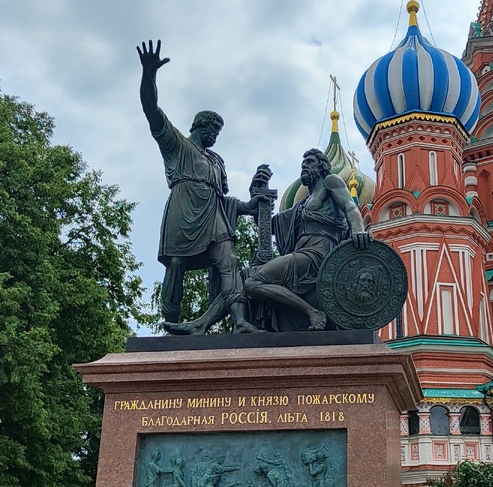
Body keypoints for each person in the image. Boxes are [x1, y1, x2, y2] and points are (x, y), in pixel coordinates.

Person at [137, 39, 271, 334]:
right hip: (183, 212)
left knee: (229, 261)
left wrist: (249, 205)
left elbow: (223, 200)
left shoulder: (217, 160)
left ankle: (241, 322)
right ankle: (171, 324)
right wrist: (149, 73)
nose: (215, 136)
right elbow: (151, 109)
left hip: (213, 220)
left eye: (218, 132)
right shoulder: (176, 145)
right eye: (213, 130)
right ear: (200, 126)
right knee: (176, 265)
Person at [245, 148, 371, 330]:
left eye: (310, 162)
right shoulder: (302, 204)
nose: (304, 165)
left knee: (252, 282)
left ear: (322, 167)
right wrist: (257, 196)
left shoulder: (330, 182)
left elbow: (350, 207)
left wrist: (358, 230)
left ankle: (312, 312)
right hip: (302, 254)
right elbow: (268, 227)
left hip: (318, 255)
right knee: (247, 275)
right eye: (303, 163)